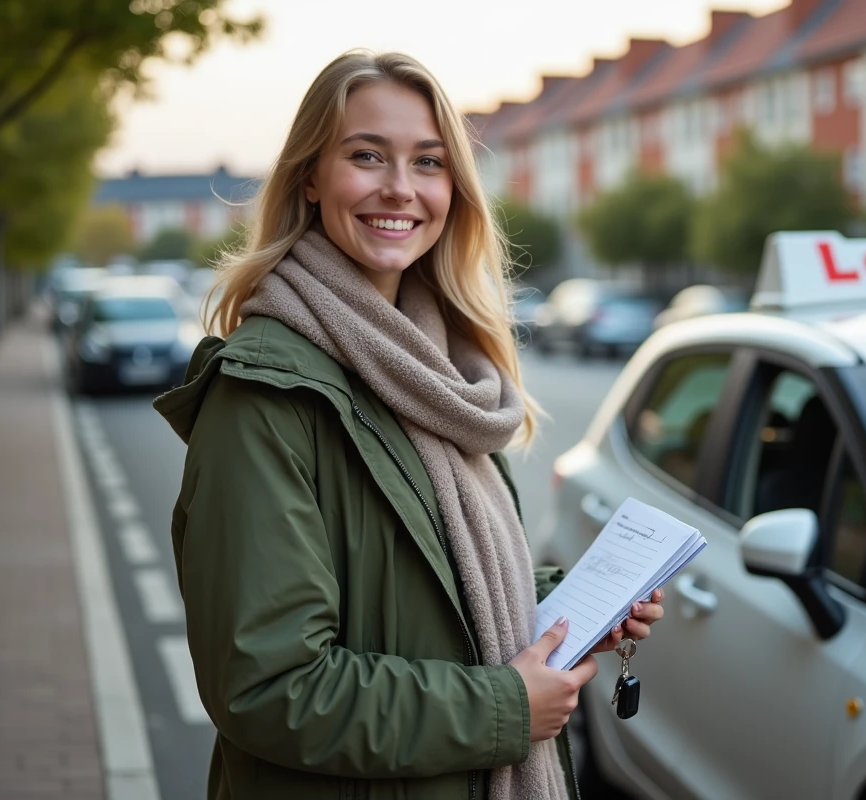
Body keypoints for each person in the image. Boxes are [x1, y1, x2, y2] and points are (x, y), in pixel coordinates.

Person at [154, 50, 664, 800]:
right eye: (367, 156)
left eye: (428, 162)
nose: (400, 188)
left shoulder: (435, 374)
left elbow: (426, 585)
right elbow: (269, 687)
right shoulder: (265, 395)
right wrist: (503, 708)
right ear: (310, 177)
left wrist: (571, 609)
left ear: (454, 189)